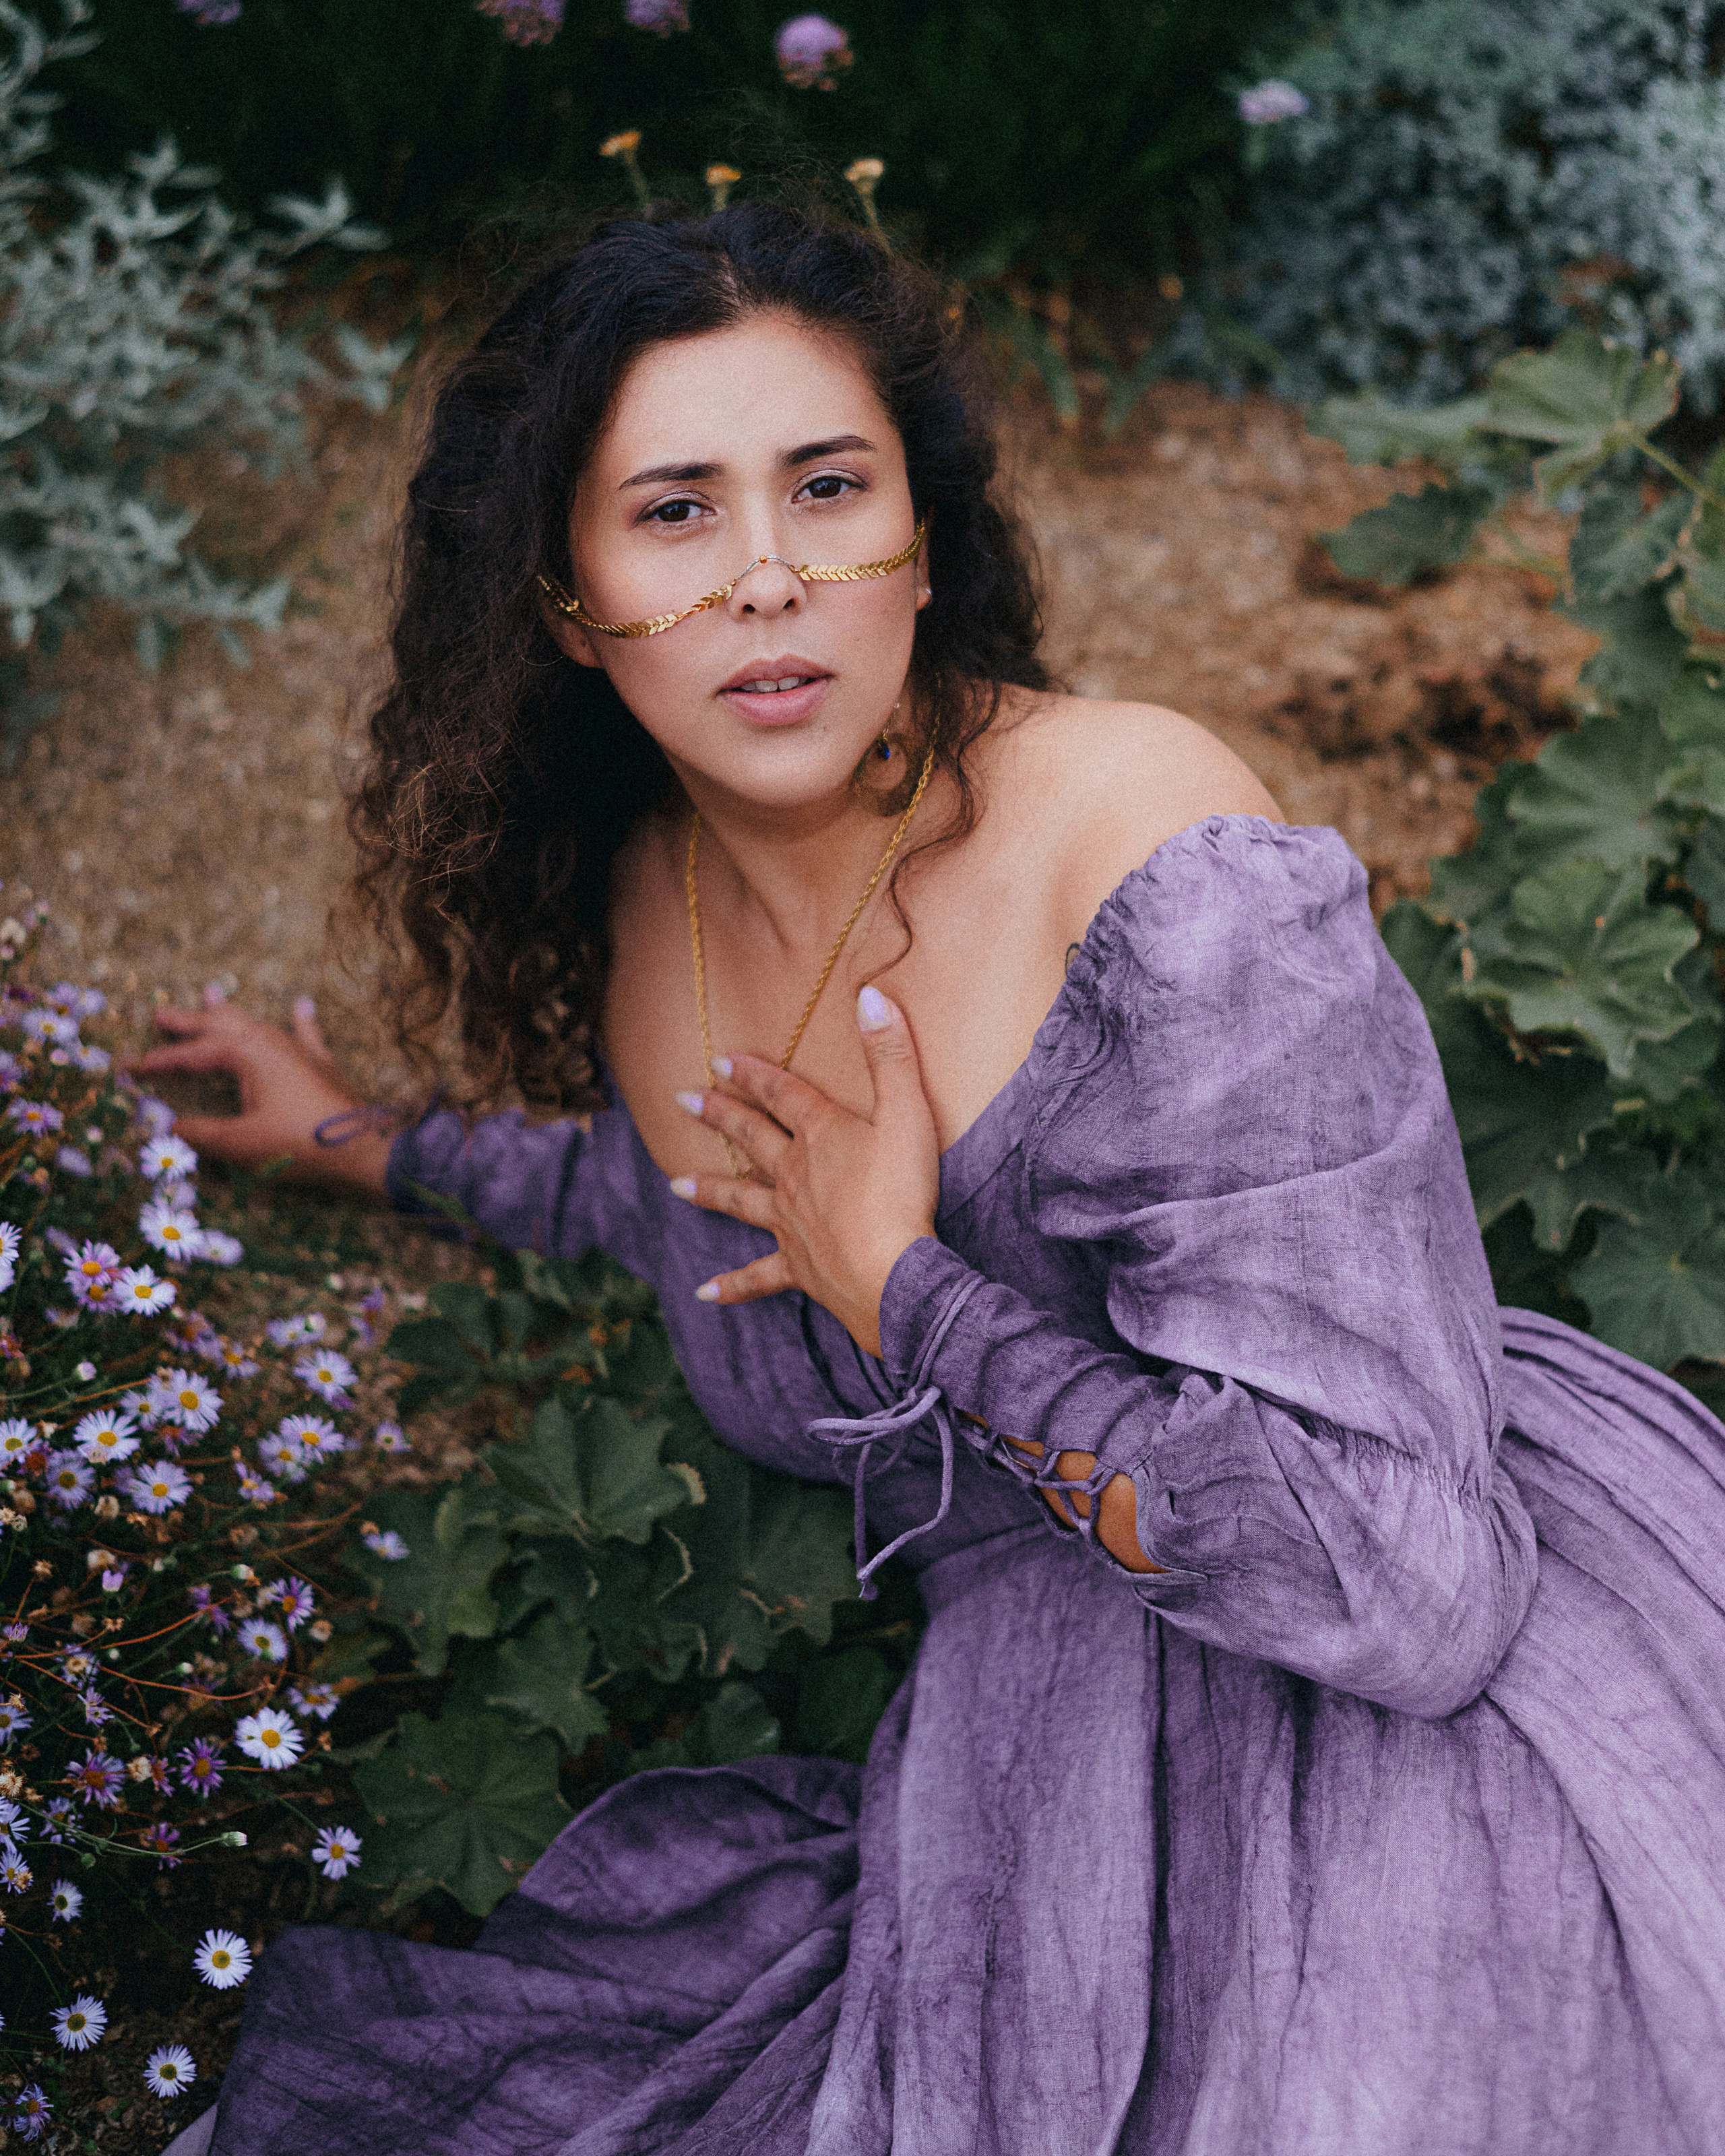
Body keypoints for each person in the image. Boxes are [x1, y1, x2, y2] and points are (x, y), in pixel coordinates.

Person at [146, 202, 1725, 2156]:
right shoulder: (654, 893)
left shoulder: (1153, 869)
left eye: (828, 488)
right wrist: (351, 1139)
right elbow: (693, 1213)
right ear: (562, 603)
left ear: (919, 540)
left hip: (1422, 1707)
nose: (770, 577)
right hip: (1038, 1781)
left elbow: (1403, 1586)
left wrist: (914, 1295)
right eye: (674, 512)